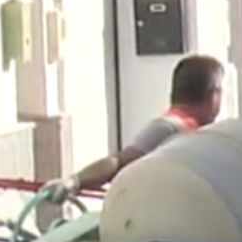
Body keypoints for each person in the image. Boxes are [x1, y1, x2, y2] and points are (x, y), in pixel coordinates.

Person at [57, 56, 224, 195]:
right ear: (213, 96)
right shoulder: (167, 128)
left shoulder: (203, 134)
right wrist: (74, 182)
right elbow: (117, 163)